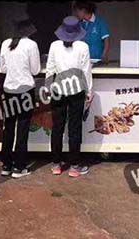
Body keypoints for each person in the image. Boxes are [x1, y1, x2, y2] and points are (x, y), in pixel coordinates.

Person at [46, 16, 92, 177]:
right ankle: (74, 166)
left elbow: (50, 68)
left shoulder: (54, 46)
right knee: (75, 128)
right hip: (77, 91)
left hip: (58, 90)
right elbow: (86, 71)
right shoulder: (83, 47)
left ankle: (56, 164)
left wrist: (47, 88)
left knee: (57, 127)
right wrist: (89, 91)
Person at [0, 19, 40, 178]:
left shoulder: (5, 43)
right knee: (22, 128)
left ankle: (6, 165)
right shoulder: (31, 45)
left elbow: (3, 69)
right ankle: (19, 167)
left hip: (9, 89)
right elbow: (35, 70)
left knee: (8, 127)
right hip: (25, 90)